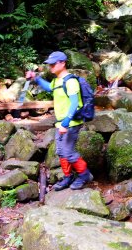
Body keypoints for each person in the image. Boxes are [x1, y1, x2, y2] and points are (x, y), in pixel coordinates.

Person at [26, 51, 93, 190]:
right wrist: (36, 78)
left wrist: (65, 124)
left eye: (53, 64)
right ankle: (68, 177)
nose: (50, 67)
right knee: (60, 151)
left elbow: (74, 104)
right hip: (61, 123)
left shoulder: (71, 81)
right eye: (49, 64)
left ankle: (84, 174)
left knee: (68, 151)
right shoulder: (57, 80)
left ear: (63, 63)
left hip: (71, 123)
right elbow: (49, 88)